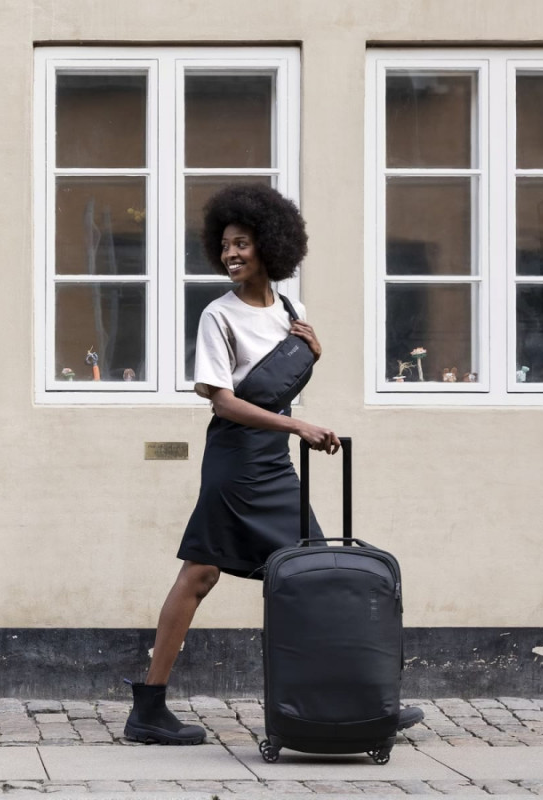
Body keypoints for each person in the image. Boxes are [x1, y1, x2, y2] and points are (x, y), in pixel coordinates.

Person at [124, 184, 422, 745]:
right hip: (234, 463)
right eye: (225, 245)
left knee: (320, 574)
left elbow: (280, 385)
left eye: (242, 243)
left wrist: (314, 354)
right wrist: (298, 427)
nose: (231, 254)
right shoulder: (219, 315)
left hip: (273, 463)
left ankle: (356, 700)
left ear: (270, 245)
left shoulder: (292, 311)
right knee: (201, 574)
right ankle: (149, 707)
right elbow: (223, 401)